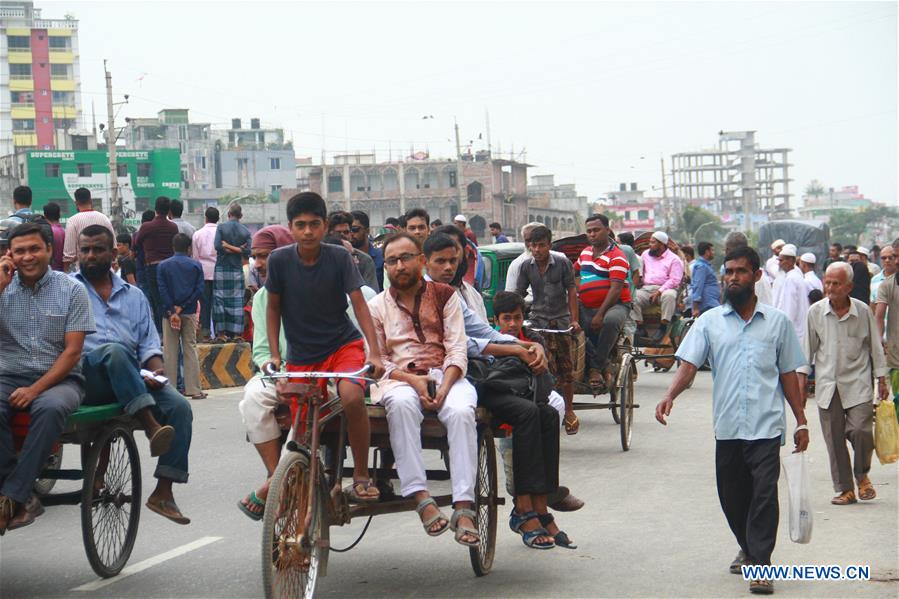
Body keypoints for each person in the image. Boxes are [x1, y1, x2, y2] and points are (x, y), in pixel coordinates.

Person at [655, 245, 809, 596]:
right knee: (733, 496)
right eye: (729, 272)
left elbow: (788, 374)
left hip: (767, 426)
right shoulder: (709, 322)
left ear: (756, 276)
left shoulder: (778, 323)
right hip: (727, 428)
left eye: (741, 272)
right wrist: (669, 395)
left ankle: (760, 563)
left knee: (764, 496)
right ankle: (748, 545)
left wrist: (800, 419)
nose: (733, 278)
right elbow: (689, 365)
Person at [237, 226, 377, 519]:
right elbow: (263, 349)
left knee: (340, 397)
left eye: (266, 256)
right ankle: (280, 479)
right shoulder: (264, 297)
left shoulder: (333, 275)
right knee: (251, 398)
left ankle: (280, 484)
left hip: (333, 365)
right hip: (289, 368)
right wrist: (271, 364)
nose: (260, 264)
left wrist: (370, 355)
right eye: (256, 257)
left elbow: (355, 331)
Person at [264, 192, 386, 503]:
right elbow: (273, 308)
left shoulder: (339, 257)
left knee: (352, 395)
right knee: (300, 423)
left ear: (324, 225)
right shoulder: (279, 261)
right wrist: (276, 355)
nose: (307, 232)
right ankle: (298, 477)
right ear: (290, 227)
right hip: (302, 353)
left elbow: (359, 304)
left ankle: (360, 474)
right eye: (300, 225)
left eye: (314, 224)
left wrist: (373, 351)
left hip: (342, 345)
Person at [74, 225, 194, 525]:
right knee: (114, 351)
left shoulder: (135, 296)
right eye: (85, 250)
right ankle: (151, 425)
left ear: (113, 254)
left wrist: (157, 372)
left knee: (180, 407)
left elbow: (149, 345)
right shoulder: (68, 289)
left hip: (133, 378)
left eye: (97, 249)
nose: (90, 255)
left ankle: (163, 492)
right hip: (90, 379)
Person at [367, 232, 480, 545]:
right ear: (385, 267)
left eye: (406, 258)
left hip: (446, 374)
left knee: (460, 411)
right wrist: (412, 381)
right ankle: (420, 496)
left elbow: (457, 348)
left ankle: (464, 506)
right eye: (392, 261)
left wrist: (444, 385)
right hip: (399, 379)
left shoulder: (444, 295)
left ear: (420, 261)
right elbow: (378, 361)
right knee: (401, 405)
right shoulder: (376, 306)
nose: (399, 266)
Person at [0, 223, 95, 533]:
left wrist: (35, 389)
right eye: (20, 251)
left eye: (34, 249)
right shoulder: (2, 288)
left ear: (49, 251)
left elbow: (72, 352)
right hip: (8, 375)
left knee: (50, 408)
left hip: (60, 379)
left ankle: (13, 495)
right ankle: (22, 492)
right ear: (9, 255)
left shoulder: (72, 290)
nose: (28, 257)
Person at [799, 262, 887, 506]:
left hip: (858, 382)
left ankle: (862, 475)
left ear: (849, 286)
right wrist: (801, 383)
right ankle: (845, 489)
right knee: (834, 439)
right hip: (828, 385)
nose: (830, 288)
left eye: (836, 283)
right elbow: (806, 353)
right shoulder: (815, 312)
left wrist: (881, 377)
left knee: (861, 431)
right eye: (827, 282)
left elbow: (875, 347)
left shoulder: (862, 312)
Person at [491, 291, 585, 513]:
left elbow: (543, 379)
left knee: (553, 408)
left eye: (517, 317)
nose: (513, 324)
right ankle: (525, 504)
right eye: (506, 318)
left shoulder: (534, 339)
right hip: (505, 405)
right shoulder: (490, 341)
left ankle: (545, 490)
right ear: (496, 320)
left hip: (533, 397)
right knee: (513, 471)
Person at [514, 225, 581, 435]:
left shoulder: (562, 263)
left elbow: (571, 291)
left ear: (549, 245)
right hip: (538, 322)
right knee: (542, 369)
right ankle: (544, 407)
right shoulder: (526, 266)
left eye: (541, 245)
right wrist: (515, 319)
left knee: (565, 370)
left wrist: (574, 320)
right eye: (533, 246)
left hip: (560, 323)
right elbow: (519, 294)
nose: (536, 250)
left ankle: (569, 410)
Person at [576, 214, 631, 389]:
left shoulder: (617, 256)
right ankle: (597, 361)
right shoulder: (585, 253)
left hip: (616, 305)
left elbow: (615, 290)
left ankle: (596, 367)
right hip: (586, 305)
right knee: (570, 323)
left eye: (596, 230)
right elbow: (573, 272)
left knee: (610, 321)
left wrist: (600, 314)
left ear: (607, 230)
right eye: (589, 231)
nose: (592, 234)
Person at [158, 233, 206, 400]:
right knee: (190, 348)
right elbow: (199, 290)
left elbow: (162, 290)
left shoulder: (163, 266)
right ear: (188, 248)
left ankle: (170, 390)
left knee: (170, 350)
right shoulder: (195, 265)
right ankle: (193, 389)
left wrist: (172, 310)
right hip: (189, 312)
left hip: (169, 314)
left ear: (173, 247)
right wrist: (182, 308)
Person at [133, 196, 179, 333]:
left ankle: (161, 331)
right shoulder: (173, 227)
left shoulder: (147, 226)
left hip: (152, 266)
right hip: (170, 267)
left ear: (156, 209)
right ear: (168, 210)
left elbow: (137, 243)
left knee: (156, 300)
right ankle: (170, 329)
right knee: (169, 298)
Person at [631, 231, 684, 343]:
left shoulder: (674, 259)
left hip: (666, 288)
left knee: (669, 296)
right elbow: (640, 270)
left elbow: (675, 280)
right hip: (646, 288)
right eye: (650, 242)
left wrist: (659, 291)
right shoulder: (645, 254)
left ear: (661, 244)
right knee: (631, 297)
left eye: (653, 243)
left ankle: (663, 327)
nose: (649, 245)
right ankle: (640, 327)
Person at [433, 224, 490, 322]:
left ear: (466, 252)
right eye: (441, 252)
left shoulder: (474, 294)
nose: (448, 265)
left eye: (454, 250)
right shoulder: (429, 297)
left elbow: (484, 331)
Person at [213, 203, 252, 342]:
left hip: (222, 267)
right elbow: (248, 252)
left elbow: (218, 246)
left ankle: (221, 334)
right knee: (237, 301)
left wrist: (228, 247)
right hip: (236, 268)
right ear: (241, 216)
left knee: (220, 300)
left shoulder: (221, 227)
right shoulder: (245, 231)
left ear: (229, 214)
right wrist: (237, 249)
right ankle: (236, 335)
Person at [505, 222, 568, 298]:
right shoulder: (517, 264)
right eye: (528, 240)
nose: (532, 245)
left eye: (537, 240)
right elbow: (511, 294)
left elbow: (570, 289)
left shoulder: (561, 259)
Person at [62, 188, 115, 272]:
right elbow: (113, 247)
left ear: (76, 203)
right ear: (91, 200)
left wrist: (65, 274)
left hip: (83, 273)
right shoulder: (104, 218)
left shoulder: (72, 221)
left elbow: (68, 255)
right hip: (106, 271)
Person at [874, 238, 899, 413]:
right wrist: (877, 345)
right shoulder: (886, 285)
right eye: (894, 256)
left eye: (897, 256)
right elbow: (878, 316)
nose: (895, 261)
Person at [328, 212, 379, 290]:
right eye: (338, 232)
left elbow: (371, 294)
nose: (342, 235)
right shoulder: (320, 257)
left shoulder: (364, 260)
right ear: (329, 233)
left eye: (346, 232)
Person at [772, 244, 810, 343]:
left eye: (781, 260)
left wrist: (783, 330)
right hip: (798, 328)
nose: (779, 264)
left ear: (790, 261)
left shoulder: (791, 279)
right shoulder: (793, 276)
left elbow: (789, 308)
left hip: (794, 330)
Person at [192, 207, 219, 342]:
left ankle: (206, 334)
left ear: (206, 218)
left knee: (204, 305)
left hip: (203, 273)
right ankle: (220, 333)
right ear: (218, 219)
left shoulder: (197, 234)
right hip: (218, 272)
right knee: (218, 304)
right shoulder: (221, 233)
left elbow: (195, 258)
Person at [350, 210, 383, 291]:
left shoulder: (381, 257)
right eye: (348, 230)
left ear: (367, 231)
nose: (351, 234)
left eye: (355, 229)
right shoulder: (344, 258)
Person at [690, 241, 720, 317]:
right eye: (712, 250)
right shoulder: (701, 267)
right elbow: (698, 285)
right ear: (707, 252)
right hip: (708, 304)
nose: (713, 252)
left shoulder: (705, 266)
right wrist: (695, 307)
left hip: (711, 302)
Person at [42, 201, 66, 272]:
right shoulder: (63, 231)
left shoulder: (47, 231)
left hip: (49, 270)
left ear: (45, 216)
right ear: (59, 215)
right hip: (62, 270)